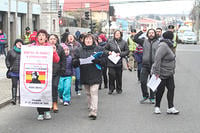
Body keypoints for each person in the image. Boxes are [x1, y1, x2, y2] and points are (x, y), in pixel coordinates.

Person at [30, 29, 60, 121]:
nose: (41, 37)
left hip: (47, 73)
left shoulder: (49, 47)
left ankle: (47, 110)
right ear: (37, 37)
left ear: (46, 38)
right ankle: (40, 112)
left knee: (46, 91)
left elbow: (56, 60)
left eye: (43, 35)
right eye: (39, 35)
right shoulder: (33, 46)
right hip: (37, 72)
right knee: (38, 92)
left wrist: (54, 52)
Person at [73, 33, 104, 120]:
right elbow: (74, 62)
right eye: (86, 39)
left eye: (90, 39)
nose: (88, 41)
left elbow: (104, 62)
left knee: (94, 92)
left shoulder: (99, 49)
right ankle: (90, 106)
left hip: (95, 73)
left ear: (93, 40)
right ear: (83, 40)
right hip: (85, 73)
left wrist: (97, 60)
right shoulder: (79, 50)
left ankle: (94, 111)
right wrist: (76, 62)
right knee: (88, 93)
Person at [151, 31, 179, 114]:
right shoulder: (163, 45)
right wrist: (156, 73)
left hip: (169, 72)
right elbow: (157, 59)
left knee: (171, 89)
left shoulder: (169, 45)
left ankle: (171, 107)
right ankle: (157, 106)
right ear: (170, 37)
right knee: (160, 90)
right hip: (161, 72)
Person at [133, 28, 159, 104]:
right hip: (145, 65)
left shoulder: (158, 43)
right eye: (149, 33)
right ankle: (145, 96)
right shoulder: (144, 41)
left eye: (152, 33)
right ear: (147, 34)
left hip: (154, 66)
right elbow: (135, 38)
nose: (151, 34)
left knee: (152, 83)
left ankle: (152, 97)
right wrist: (141, 32)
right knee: (143, 81)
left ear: (155, 34)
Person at [104, 30, 129, 95]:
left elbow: (127, 51)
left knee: (119, 76)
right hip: (111, 61)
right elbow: (104, 49)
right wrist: (108, 52)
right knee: (111, 75)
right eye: (116, 33)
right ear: (114, 35)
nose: (117, 34)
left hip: (119, 62)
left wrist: (120, 54)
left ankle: (119, 88)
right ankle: (111, 88)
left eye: (118, 33)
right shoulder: (110, 42)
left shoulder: (124, 42)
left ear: (121, 35)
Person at [48, 34, 66, 113]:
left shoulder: (60, 48)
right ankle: (49, 103)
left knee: (55, 86)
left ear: (56, 40)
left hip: (56, 71)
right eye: (51, 39)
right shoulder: (45, 48)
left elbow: (63, 59)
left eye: (54, 39)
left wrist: (62, 68)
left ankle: (55, 103)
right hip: (47, 71)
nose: (52, 40)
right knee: (48, 88)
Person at [6, 39, 24, 105]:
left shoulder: (25, 52)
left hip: (22, 72)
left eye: (21, 43)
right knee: (14, 85)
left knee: (21, 86)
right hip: (14, 72)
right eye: (18, 43)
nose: (19, 44)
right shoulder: (11, 51)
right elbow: (7, 60)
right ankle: (13, 98)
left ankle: (21, 99)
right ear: (15, 44)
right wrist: (9, 66)